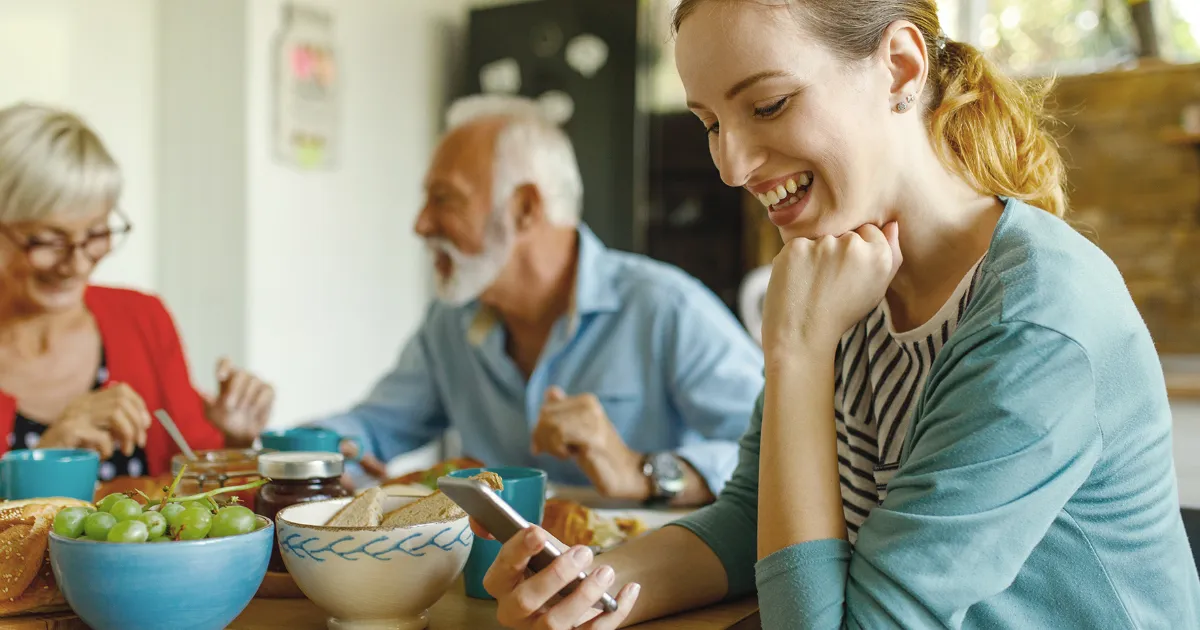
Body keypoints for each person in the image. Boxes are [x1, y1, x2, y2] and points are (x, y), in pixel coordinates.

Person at [477, 1, 1200, 628]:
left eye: (766, 105)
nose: (731, 165)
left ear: (900, 68)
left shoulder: (1032, 324)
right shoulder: (845, 273)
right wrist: (589, 587)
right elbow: (747, 521)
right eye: (709, 123)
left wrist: (798, 352)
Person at [303, 94, 763, 506]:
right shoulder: (450, 320)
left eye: (444, 199)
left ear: (524, 208)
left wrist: (644, 471)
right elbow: (373, 428)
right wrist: (292, 456)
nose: (421, 224)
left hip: (645, 586)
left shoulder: (666, 307)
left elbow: (776, 448)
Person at [0, 103, 275, 481]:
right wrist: (45, 462)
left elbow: (199, 486)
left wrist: (232, 440)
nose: (78, 265)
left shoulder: (142, 318)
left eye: (96, 233)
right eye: (48, 240)